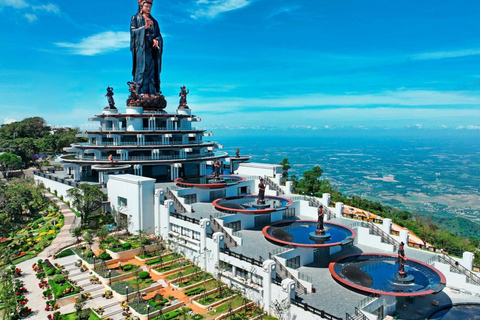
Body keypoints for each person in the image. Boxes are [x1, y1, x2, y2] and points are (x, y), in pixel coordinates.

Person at [130, 0, 163, 96]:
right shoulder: (135, 18)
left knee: (152, 69)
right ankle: (141, 91)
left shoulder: (154, 21)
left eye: (150, 7)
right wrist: (142, 29)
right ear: (141, 6)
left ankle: (152, 91)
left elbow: (158, 34)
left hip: (152, 48)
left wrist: (156, 40)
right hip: (141, 48)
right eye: (146, 7)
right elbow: (133, 32)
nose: (148, 9)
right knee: (142, 68)